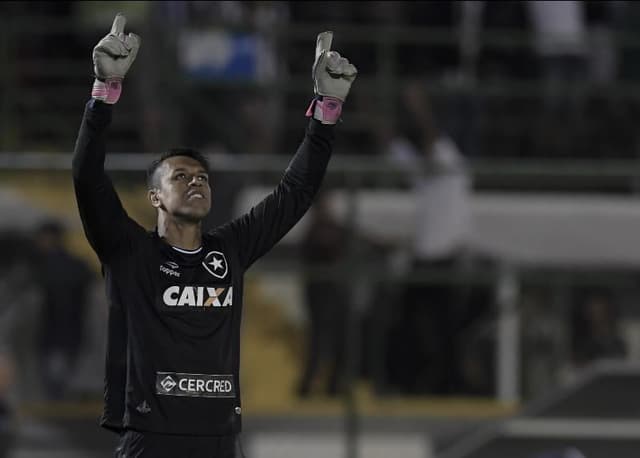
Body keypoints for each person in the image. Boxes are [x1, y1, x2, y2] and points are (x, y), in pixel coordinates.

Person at [72, 13, 356, 458]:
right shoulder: (128, 251)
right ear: (155, 197)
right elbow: (87, 175)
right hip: (151, 442)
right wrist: (103, 94)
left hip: (221, 443)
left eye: (202, 177)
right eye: (181, 176)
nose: (197, 182)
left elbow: (295, 192)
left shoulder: (231, 250)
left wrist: (326, 112)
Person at [32, 220, 94, 400]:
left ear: (50, 238)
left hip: (52, 334)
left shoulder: (42, 267)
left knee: (54, 386)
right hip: (75, 333)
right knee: (64, 380)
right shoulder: (79, 265)